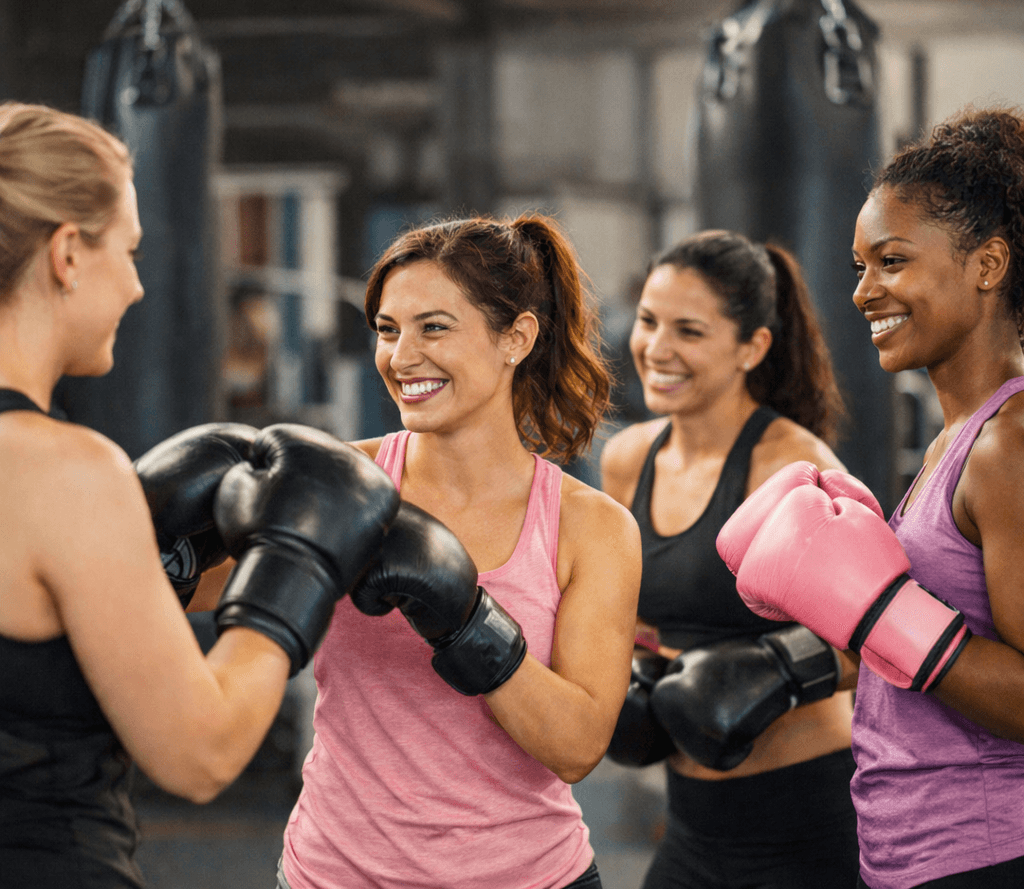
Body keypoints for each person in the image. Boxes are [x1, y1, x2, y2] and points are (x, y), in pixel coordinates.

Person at [0, 102, 400, 888]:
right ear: (68, 254)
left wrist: (158, 569)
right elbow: (201, 754)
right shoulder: (67, 474)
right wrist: (300, 562)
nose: (139, 287)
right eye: (130, 250)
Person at [277, 214, 643, 889]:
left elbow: (577, 747)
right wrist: (183, 540)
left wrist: (467, 619)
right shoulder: (342, 486)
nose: (401, 355)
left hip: (529, 877)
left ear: (516, 337)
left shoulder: (592, 529)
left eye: (434, 327)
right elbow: (206, 592)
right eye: (388, 330)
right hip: (335, 874)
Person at [718, 107, 1024, 889]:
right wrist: (791, 666)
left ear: (987, 266)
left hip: (986, 853)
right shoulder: (953, 440)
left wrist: (888, 612)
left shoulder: (1010, 443)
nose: (863, 292)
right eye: (859, 265)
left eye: (891, 261)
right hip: (908, 852)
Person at [600, 229, 862, 888]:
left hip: (805, 818)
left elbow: (881, 641)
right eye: (650, 322)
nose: (657, 349)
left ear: (753, 346)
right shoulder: (628, 459)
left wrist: (777, 670)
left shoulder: (790, 466)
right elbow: (639, 615)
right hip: (692, 821)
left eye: (689, 331)